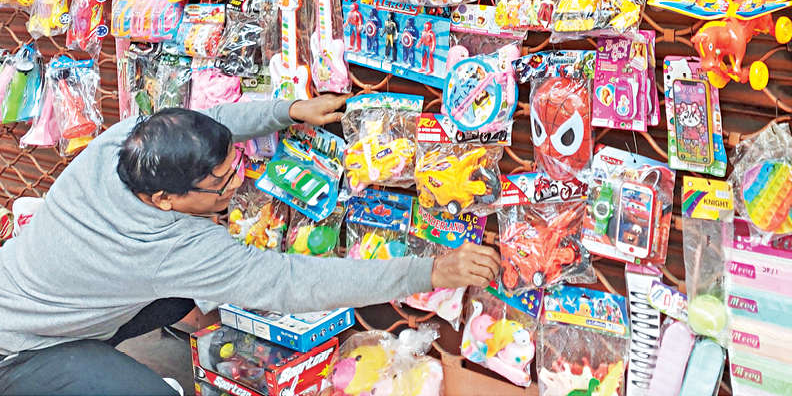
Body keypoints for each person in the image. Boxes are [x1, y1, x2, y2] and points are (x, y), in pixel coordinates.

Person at [0, 94, 501, 396]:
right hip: (22, 347)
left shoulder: (123, 145)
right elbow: (289, 281)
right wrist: (430, 272)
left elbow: (206, 120)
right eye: (221, 183)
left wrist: (288, 112)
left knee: (179, 297)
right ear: (165, 199)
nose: (238, 180)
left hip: (34, 292)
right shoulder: (168, 249)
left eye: (234, 165)